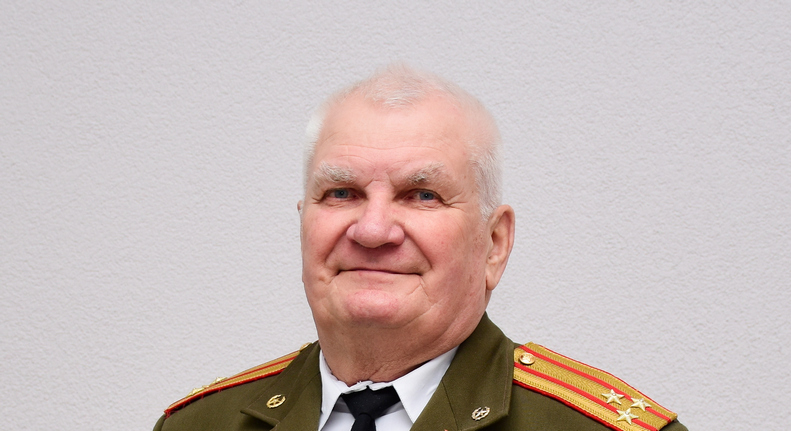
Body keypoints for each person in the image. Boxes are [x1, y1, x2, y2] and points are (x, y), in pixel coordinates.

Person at [154, 64, 687, 431]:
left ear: (494, 244)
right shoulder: (200, 425)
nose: (373, 230)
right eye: (341, 193)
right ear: (303, 225)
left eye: (422, 195)